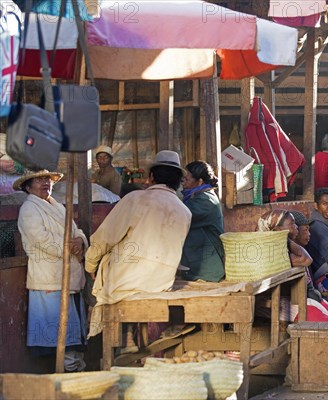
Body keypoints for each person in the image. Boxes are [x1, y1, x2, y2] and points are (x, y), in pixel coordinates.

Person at [86, 151, 192, 336]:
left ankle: (98, 346)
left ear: (151, 177)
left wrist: (90, 264)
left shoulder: (135, 199)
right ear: (178, 181)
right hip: (160, 284)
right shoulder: (184, 211)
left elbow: (104, 238)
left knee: (90, 282)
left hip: (124, 283)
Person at [14, 169, 89, 372]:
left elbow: (76, 229)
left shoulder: (56, 205)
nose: (45, 183)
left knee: (73, 330)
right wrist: (71, 247)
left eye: (47, 179)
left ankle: (75, 370)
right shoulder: (29, 209)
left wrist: (80, 241)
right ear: (28, 187)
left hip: (69, 276)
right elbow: (42, 240)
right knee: (62, 333)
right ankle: (69, 373)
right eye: (39, 180)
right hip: (49, 278)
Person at [179, 161, 225, 282]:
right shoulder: (197, 196)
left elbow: (179, 215)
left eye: (187, 179)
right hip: (198, 261)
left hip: (208, 268)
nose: (183, 182)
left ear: (199, 182)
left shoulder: (206, 201)